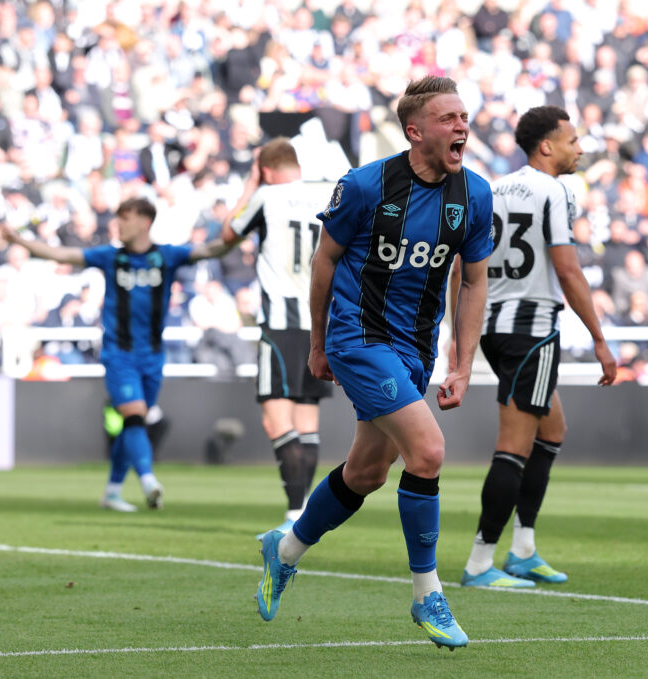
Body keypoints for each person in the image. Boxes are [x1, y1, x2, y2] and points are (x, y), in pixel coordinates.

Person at [254, 76, 494, 650]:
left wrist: (462, 361)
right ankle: (426, 595)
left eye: (464, 116)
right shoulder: (365, 186)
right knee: (429, 451)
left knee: (366, 474)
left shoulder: (475, 195)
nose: (461, 125)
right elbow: (324, 263)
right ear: (415, 131)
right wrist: (318, 342)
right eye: (448, 118)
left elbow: (475, 280)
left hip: (414, 349)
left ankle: (283, 550)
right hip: (358, 337)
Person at [460, 105, 617, 589]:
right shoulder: (555, 191)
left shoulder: (491, 189)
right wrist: (600, 339)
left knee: (553, 429)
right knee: (514, 446)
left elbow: (466, 268)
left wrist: (459, 346)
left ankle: (523, 549)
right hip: (531, 326)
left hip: (494, 323)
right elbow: (567, 270)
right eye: (572, 140)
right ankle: (480, 563)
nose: (581, 148)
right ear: (546, 146)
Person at [0, 197, 237, 511]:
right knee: (136, 417)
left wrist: (242, 232)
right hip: (118, 355)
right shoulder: (110, 257)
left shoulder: (167, 255)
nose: (118, 225)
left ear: (144, 221)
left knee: (133, 425)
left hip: (153, 356)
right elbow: (61, 253)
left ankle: (112, 491)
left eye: (125, 218)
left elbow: (212, 249)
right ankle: (149, 481)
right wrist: (18, 240)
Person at [219, 137, 334, 537]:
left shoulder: (267, 195)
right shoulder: (326, 196)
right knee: (307, 422)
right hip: (321, 321)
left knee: (276, 421)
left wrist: (251, 183)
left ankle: (293, 513)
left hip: (282, 321)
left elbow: (228, 233)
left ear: (266, 169)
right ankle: (303, 514)